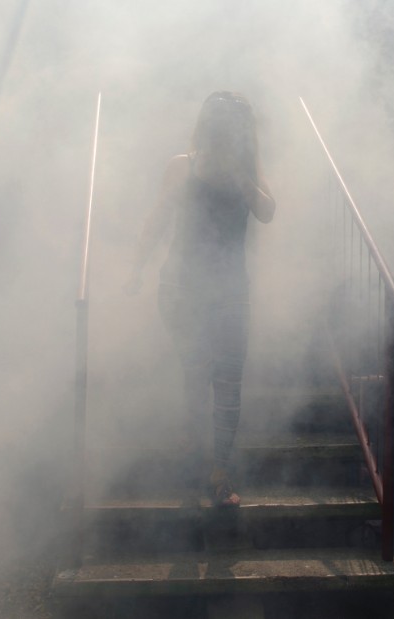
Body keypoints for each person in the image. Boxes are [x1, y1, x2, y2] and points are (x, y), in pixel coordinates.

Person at [125, 92, 275, 507]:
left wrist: (244, 179)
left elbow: (268, 211)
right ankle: (199, 464)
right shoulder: (183, 166)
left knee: (229, 381)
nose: (237, 133)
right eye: (231, 124)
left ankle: (218, 473)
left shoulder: (247, 173)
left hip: (230, 289)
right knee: (197, 373)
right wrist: (136, 268)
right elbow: (156, 221)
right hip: (182, 287)